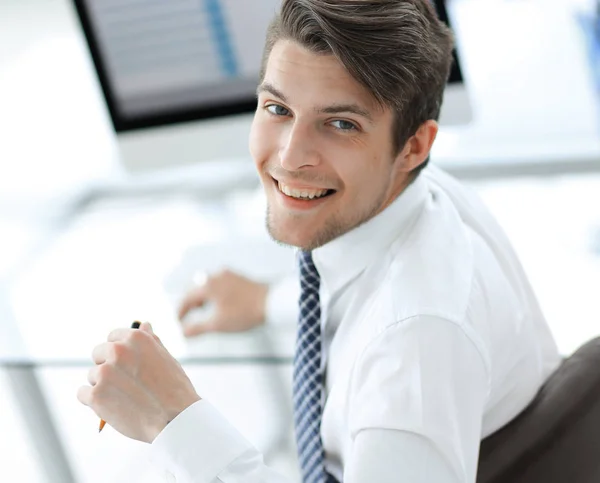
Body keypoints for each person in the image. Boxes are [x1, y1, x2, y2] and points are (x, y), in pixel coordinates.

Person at [77, 1, 561, 482]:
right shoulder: (424, 198)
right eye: (277, 108)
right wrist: (269, 301)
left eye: (341, 123)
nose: (290, 157)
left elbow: (405, 336)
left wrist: (172, 421)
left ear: (414, 146)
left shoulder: (413, 350)